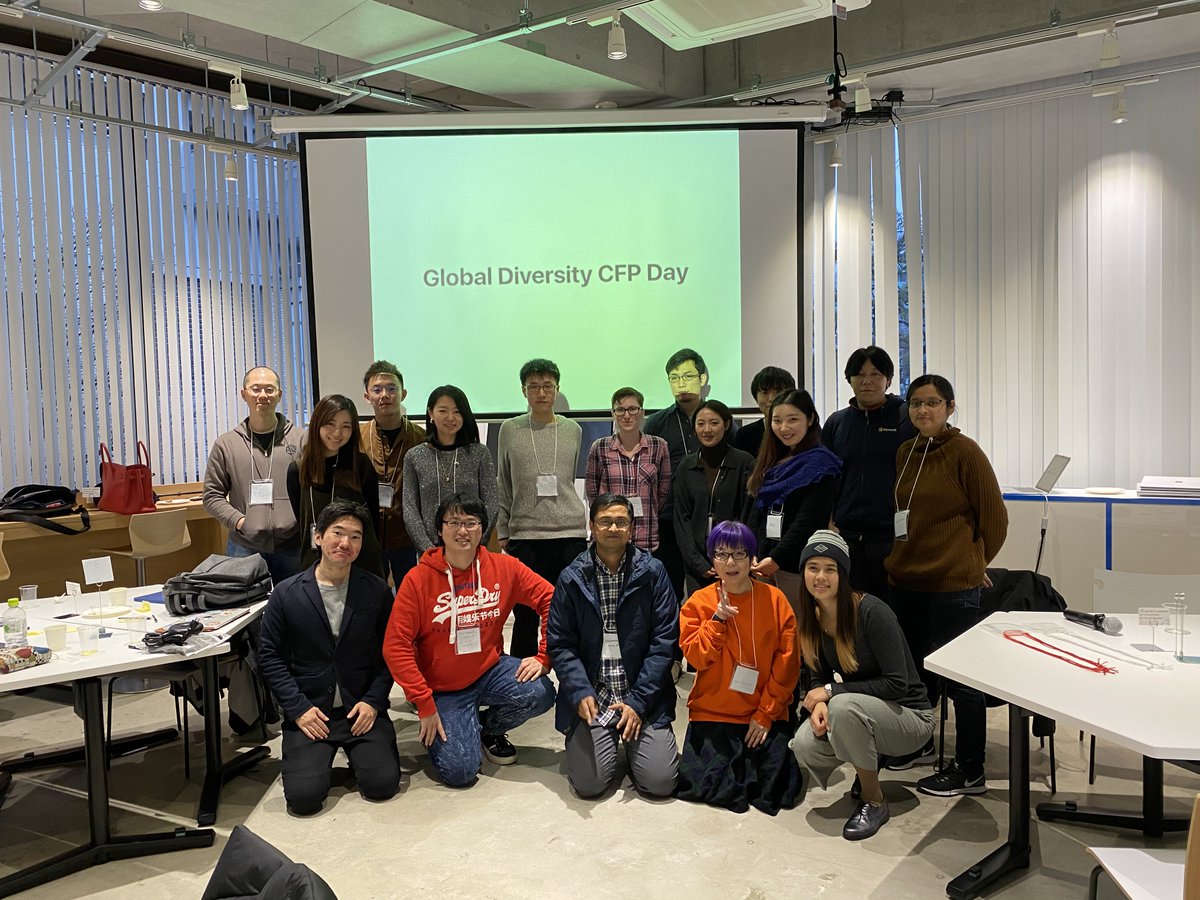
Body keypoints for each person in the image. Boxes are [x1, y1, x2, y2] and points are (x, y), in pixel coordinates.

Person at [885, 375, 1008, 797]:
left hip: (952, 587)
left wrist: (973, 564)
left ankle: (970, 768)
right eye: (915, 403)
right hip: (907, 581)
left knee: (961, 680)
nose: (923, 411)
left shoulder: (966, 452)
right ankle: (919, 743)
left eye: (932, 403)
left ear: (950, 407)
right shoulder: (906, 451)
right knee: (915, 675)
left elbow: (995, 521)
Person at [383, 494, 556, 788]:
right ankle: (456, 727)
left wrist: (544, 656)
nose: (462, 531)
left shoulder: (505, 567)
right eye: (453, 522)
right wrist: (423, 703)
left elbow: (551, 598)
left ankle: (486, 730)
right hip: (442, 689)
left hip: (489, 670)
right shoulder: (417, 580)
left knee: (540, 692)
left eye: (471, 523)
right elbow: (395, 646)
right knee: (461, 773)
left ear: (482, 529)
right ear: (440, 530)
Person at [258, 500, 401, 816]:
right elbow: (269, 656)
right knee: (304, 799)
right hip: (312, 712)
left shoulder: (376, 591)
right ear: (318, 537)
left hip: (360, 708)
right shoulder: (286, 593)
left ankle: (361, 757)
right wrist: (298, 709)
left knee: (383, 786)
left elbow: (391, 652)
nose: (345, 543)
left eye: (355, 536)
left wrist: (374, 701)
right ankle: (313, 765)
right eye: (337, 533)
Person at [789, 530, 934, 840]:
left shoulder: (872, 612)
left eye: (830, 568)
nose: (821, 576)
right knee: (803, 743)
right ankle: (868, 760)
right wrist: (821, 705)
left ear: (843, 573)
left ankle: (874, 800)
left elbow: (898, 684)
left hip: (911, 718)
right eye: (813, 567)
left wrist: (829, 694)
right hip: (869, 712)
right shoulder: (813, 616)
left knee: (843, 707)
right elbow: (817, 676)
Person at [548, 493, 679, 798]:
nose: (613, 528)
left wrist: (638, 702)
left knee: (659, 783)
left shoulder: (653, 573)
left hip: (641, 695)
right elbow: (561, 643)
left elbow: (664, 643)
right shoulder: (572, 578)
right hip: (596, 694)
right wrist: (580, 691)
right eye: (605, 521)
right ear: (592, 526)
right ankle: (599, 739)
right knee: (589, 786)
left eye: (621, 522)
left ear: (632, 528)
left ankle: (637, 746)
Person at [676, 521, 801, 815]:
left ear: (752, 559)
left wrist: (766, 713)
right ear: (712, 560)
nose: (730, 563)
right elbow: (696, 659)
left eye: (739, 554)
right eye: (721, 554)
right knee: (709, 786)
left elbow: (787, 665)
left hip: (762, 710)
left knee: (774, 788)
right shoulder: (699, 602)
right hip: (714, 710)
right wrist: (717, 620)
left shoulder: (776, 600)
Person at [496, 359, 588, 660]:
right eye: (533, 386)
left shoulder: (573, 429)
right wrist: (504, 529)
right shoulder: (510, 429)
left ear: (557, 390)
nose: (541, 392)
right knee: (525, 613)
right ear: (524, 391)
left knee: (568, 608)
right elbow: (504, 481)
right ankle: (521, 676)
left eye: (548, 386)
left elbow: (567, 478)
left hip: (569, 533)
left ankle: (567, 668)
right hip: (527, 535)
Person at [822, 346, 915, 603]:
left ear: (888, 379)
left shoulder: (906, 418)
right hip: (847, 536)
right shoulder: (837, 423)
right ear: (849, 380)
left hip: (893, 537)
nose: (867, 381)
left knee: (892, 610)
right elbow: (827, 478)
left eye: (875, 373)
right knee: (852, 611)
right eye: (859, 374)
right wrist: (829, 521)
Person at [203, 365, 301, 584]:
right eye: (256, 389)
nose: (263, 395)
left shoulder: (301, 440)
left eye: (269, 389)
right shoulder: (226, 444)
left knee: (295, 610)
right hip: (244, 545)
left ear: (279, 395)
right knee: (244, 610)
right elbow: (212, 496)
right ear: (244, 394)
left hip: (293, 545)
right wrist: (240, 521)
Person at [746, 389, 842, 612]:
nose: (784, 428)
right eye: (777, 421)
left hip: (795, 564)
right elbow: (755, 512)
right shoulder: (771, 459)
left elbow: (809, 520)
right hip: (762, 562)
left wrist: (777, 558)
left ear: (809, 419)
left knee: (797, 631)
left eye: (792, 420)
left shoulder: (821, 463)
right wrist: (752, 551)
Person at [287, 394, 384, 578]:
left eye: (346, 426)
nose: (337, 433)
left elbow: (372, 523)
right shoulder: (297, 470)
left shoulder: (360, 465)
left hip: (359, 564)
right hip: (315, 561)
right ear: (317, 424)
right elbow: (303, 519)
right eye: (330, 424)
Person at [402, 385, 499, 555]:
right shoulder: (415, 456)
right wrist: (429, 550)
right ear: (431, 413)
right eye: (443, 411)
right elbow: (410, 509)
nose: (450, 418)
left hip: (472, 548)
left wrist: (475, 541)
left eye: (457, 411)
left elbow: (491, 503)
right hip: (431, 552)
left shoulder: (479, 453)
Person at [643, 348, 709, 598]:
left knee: (705, 587)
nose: (681, 383)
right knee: (667, 588)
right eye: (674, 377)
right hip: (668, 518)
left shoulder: (716, 418)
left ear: (702, 379)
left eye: (688, 376)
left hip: (706, 517)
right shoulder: (656, 423)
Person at [672, 399, 755, 594]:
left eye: (714, 423)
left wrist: (733, 556)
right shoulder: (686, 466)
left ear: (726, 424)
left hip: (735, 559)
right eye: (700, 424)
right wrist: (697, 562)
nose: (707, 429)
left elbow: (749, 514)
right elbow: (681, 519)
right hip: (698, 564)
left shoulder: (744, 462)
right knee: (704, 618)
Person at [360, 360, 426, 587]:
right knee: (373, 600)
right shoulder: (357, 437)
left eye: (391, 388)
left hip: (407, 537)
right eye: (377, 390)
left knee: (410, 599)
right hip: (368, 536)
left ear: (403, 394)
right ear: (367, 397)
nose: (384, 395)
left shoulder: (421, 438)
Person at [584, 387, 671, 554]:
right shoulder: (600, 447)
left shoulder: (659, 446)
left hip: (645, 538)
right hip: (610, 536)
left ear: (642, 412)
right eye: (620, 410)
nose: (626, 415)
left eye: (632, 409)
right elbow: (593, 495)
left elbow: (662, 494)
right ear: (613, 413)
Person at [733, 366, 796, 456]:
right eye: (765, 393)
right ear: (756, 397)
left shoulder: (800, 431)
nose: (771, 399)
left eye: (778, 392)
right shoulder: (745, 435)